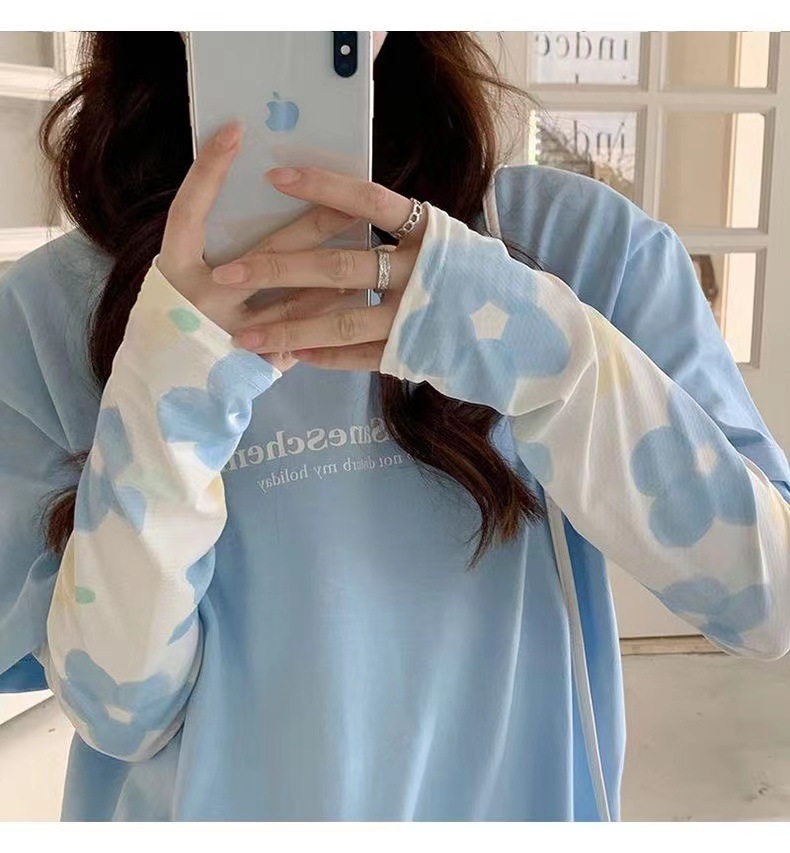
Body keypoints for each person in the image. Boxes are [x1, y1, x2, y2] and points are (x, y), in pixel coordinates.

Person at [0, 31, 788, 822]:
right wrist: (164, 399)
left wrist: (553, 359)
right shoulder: (48, 310)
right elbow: (120, 716)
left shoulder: (576, 246)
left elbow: (768, 600)